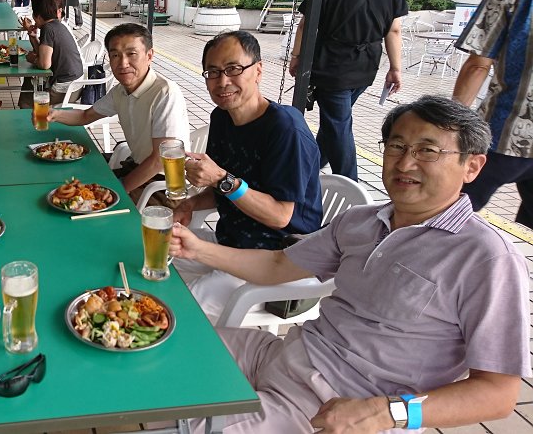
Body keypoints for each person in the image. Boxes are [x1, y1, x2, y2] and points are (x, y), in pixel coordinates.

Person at [170, 95, 530, 433]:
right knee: (162, 348)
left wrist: (388, 412)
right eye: (397, 146)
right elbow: (278, 265)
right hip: (279, 355)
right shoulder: (362, 221)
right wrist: (196, 249)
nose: (405, 163)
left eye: (428, 151)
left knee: (179, 426)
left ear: (472, 166)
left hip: (334, 401)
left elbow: (498, 393)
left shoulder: (486, 258)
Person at [170, 31, 323, 321]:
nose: (222, 81)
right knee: (147, 255)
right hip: (230, 244)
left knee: (178, 313)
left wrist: (220, 178)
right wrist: (190, 204)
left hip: (277, 262)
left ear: (258, 71)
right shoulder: (221, 118)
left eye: (233, 69)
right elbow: (225, 190)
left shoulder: (286, 129)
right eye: (213, 72)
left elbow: (280, 216)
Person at [289, 0, 406, 181]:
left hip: (333, 66)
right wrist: (395, 68)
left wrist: (297, 56)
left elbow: (306, 25)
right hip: (366, 67)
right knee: (335, 121)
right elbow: (394, 30)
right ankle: (310, 168)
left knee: (338, 125)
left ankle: (351, 185)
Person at [47, 23, 190, 194]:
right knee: (67, 182)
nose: (123, 63)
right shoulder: (120, 91)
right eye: (115, 55)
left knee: (86, 200)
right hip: (135, 167)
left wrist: (119, 190)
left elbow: (160, 160)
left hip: (164, 184)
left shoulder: (165, 93)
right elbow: (85, 116)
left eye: (131, 54)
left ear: (149, 56)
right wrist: (54, 114)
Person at [452, 0, 533, 226]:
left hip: (503, 133)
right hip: (504, 135)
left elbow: (478, 65)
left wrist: (452, 123)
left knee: (449, 208)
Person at [18, 0, 84, 109]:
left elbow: (45, 64)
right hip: (76, 86)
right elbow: (44, 53)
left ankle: (27, 115)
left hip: (64, 91)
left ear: (38, 16)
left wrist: (33, 59)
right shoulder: (58, 25)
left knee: (28, 90)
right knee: (30, 82)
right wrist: (33, 36)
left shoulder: (47, 29)